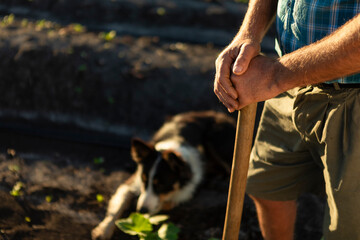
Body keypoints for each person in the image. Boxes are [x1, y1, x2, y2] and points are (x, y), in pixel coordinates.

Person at [214, 0, 360, 239]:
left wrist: (275, 76)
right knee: (267, 187)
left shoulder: (276, 76)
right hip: (290, 81)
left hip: (349, 94)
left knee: (347, 231)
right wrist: (249, 32)